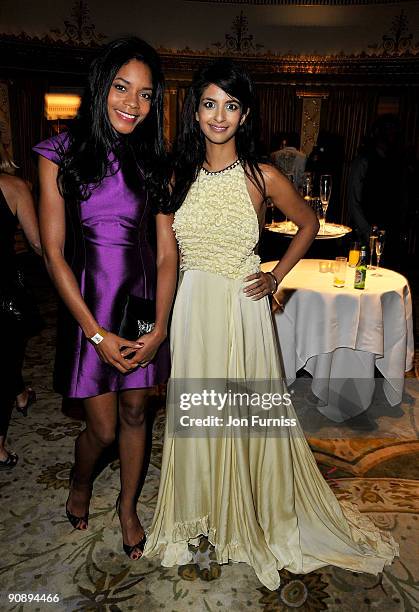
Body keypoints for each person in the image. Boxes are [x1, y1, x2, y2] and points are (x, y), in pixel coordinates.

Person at [143, 60, 398, 590]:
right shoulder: (175, 176)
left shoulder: (263, 176)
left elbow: (307, 224)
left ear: (244, 114)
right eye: (210, 103)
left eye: (230, 105)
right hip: (194, 306)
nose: (219, 115)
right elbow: (168, 261)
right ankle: (202, 519)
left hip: (242, 307)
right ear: (195, 111)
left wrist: (276, 276)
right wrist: (162, 327)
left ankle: (249, 513)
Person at [34, 37, 178, 559]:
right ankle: (80, 480)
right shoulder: (59, 155)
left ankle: (128, 507)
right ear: (102, 87)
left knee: (137, 412)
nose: (132, 104)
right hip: (88, 307)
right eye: (122, 88)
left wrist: (160, 324)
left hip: (142, 307)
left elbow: (166, 255)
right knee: (102, 426)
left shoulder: (156, 163)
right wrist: (93, 332)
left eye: (144, 94)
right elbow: (53, 253)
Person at [0, 143, 42, 469]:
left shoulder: (15, 187)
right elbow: (40, 244)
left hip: (5, 294)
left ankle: (20, 394)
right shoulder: (14, 187)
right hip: (4, 294)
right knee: (6, 358)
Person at [348, 114, 402, 249]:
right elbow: (353, 200)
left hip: (389, 232)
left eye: (393, 130)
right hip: (366, 233)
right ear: (378, 132)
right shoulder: (364, 160)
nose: (391, 134)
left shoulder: (396, 162)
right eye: (388, 129)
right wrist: (367, 232)